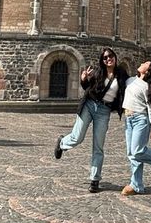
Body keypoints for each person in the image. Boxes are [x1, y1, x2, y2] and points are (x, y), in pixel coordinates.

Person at [54, 47, 128, 193]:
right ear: (102, 60)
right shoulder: (99, 72)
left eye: (110, 56)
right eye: (105, 58)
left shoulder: (122, 74)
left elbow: (127, 88)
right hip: (89, 105)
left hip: (104, 111)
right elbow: (87, 87)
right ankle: (62, 142)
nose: (108, 59)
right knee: (77, 137)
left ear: (115, 57)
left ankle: (95, 180)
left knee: (98, 146)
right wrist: (83, 79)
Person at [121, 61, 151, 196]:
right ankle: (136, 185)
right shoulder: (130, 80)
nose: (142, 63)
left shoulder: (148, 87)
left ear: (147, 71)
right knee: (131, 154)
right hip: (128, 119)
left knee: (137, 151)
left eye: (145, 63)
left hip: (141, 120)